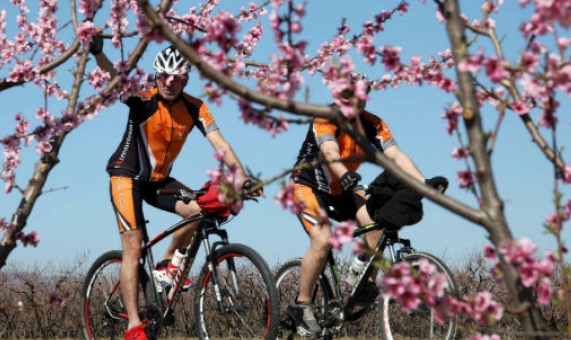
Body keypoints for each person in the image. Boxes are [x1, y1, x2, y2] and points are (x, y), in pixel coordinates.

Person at [91, 40, 253, 340]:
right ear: (156, 76)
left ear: (185, 79)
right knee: (134, 246)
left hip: (158, 181)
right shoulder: (144, 95)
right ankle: (133, 325)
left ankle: (166, 265)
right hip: (126, 177)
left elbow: (220, 144)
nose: (167, 82)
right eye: (162, 76)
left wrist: (241, 177)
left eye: (174, 77)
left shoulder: (195, 107)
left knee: (200, 210)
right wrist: (98, 52)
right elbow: (114, 76)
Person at [286, 72, 438, 337]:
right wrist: (344, 173)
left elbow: (396, 155)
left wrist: (423, 182)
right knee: (322, 240)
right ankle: (302, 303)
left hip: (342, 188)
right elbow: (330, 151)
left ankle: (365, 283)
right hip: (307, 185)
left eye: (363, 92)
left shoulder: (373, 123)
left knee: (379, 222)